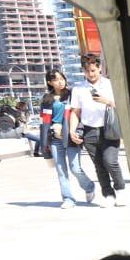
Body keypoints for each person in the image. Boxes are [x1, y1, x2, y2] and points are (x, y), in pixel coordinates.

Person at [68, 53, 127, 206]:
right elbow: (75, 112)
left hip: (109, 128)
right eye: (87, 71)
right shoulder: (78, 89)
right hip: (89, 131)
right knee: (99, 165)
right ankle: (108, 195)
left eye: (93, 70)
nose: (91, 74)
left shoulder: (110, 85)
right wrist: (72, 130)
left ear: (99, 68)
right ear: (83, 71)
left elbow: (124, 106)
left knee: (110, 161)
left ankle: (120, 190)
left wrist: (108, 101)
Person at [42, 68, 95, 207]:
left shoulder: (72, 94)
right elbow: (45, 121)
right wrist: (45, 142)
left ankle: (89, 186)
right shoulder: (47, 99)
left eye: (62, 79)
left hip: (71, 136)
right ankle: (68, 199)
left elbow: (80, 114)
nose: (60, 82)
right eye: (56, 80)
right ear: (50, 82)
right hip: (55, 139)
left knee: (75, 168)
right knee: (61, 170)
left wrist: (77, 131)